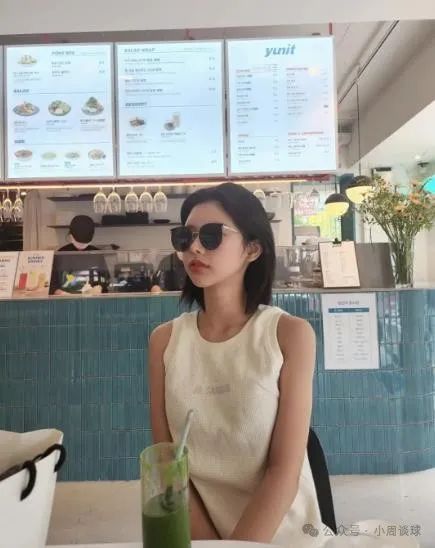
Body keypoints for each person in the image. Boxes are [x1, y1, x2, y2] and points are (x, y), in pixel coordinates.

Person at [149, 182, 330, 546]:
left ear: (252, 248)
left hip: (286, 536)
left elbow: (284, 471)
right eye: (185, 237)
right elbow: (170, 466)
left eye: (212, 235)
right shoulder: (164, 341)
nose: (195, 247)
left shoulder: (290, 335)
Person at [50, 215, 109, 295]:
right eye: (79, 242)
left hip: (92, 298)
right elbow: (51, 284)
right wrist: (61, 293)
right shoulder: (61, 254)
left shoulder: (96, 253)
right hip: (66, 300)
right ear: (71, 236)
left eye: (85, 243)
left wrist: (99, 288)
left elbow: (105, 280)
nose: (81, 246)